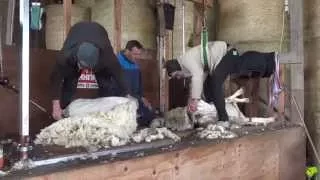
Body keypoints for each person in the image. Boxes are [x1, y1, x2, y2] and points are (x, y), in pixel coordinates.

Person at [165, 41, 280, 125]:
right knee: (208, 89)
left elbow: (197, 77)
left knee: (216, 81)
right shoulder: (186, 64)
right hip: (220, 60)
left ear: (176, 69)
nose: (179, 78)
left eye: (176, 75)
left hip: (227, 53)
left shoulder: (186, 60)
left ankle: (223, 119)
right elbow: (196, 79)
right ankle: (213, 115)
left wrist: (194, 99)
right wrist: (192, 98)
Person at [50, 21, 131, 120]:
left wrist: (129, 96)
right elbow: (55, 79)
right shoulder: (65, 57)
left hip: (99, 33)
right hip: (77, 32)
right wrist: (56, 106)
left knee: (105, 84)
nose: (86, 71)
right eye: (83, 67)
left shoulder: (107, 57)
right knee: (69, 84)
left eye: (88, 68)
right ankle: (64, 115)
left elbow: (119, 75)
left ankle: (106, 117)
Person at [114, 40, 156, 127]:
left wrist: (143, 97)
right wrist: (127, 95)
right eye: (135, 54)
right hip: (121, 99)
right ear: (127, 51)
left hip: (135, 99)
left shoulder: (136, 65)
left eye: (139, 54)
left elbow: (139, 85)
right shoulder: (116, 62)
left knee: (150, 112)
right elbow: (113, 86)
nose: (137, 57)